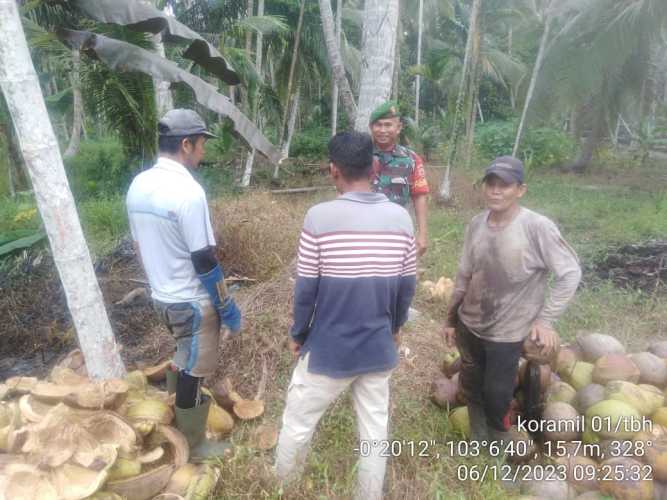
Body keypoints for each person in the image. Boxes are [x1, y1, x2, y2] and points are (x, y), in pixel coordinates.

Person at [274, 131, 417, 500]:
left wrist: (298, 334)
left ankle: (282, 488)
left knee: (298, 422)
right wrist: (396, 327)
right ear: (373, 167)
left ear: (332, 170)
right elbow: (406, 287)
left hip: (329, 349)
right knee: (374, 430)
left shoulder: (319, 217)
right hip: (378, 347)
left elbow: (307, 288)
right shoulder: (401, 218)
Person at [126, 108, 242, 461]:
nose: (204, 151)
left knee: (182, 355)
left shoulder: (139, 184)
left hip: (162, 296)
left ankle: (174, 420)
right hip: (191, 301)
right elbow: (204, 260)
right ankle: (193, 446)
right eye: (202, 144)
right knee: (195, 369)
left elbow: (137, 244)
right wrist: (227, 307)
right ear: (186, 144)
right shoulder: (188, 192)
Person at [441, 156, 582, 446]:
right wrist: (451, 320)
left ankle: (500, 450)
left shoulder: (536, 227)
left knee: (497, 395)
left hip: (507, 333)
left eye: (504, 185)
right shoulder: (476, 224)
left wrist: (545, 320)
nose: (495, 191)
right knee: (471, 388)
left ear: (520, 190)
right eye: (490, 184)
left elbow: (570, 273)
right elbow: (464, 275)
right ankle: (479, 442)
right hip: (471, 325)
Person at [369, 100, 430, 256]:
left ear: (398, 128)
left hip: (398, 231)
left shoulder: (411, 159)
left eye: (388, 125)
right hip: (364, 230)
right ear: (371, 128)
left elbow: (419, 195)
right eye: (378, 125)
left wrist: (422, 234)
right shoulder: (360, 156)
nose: (383, 130)